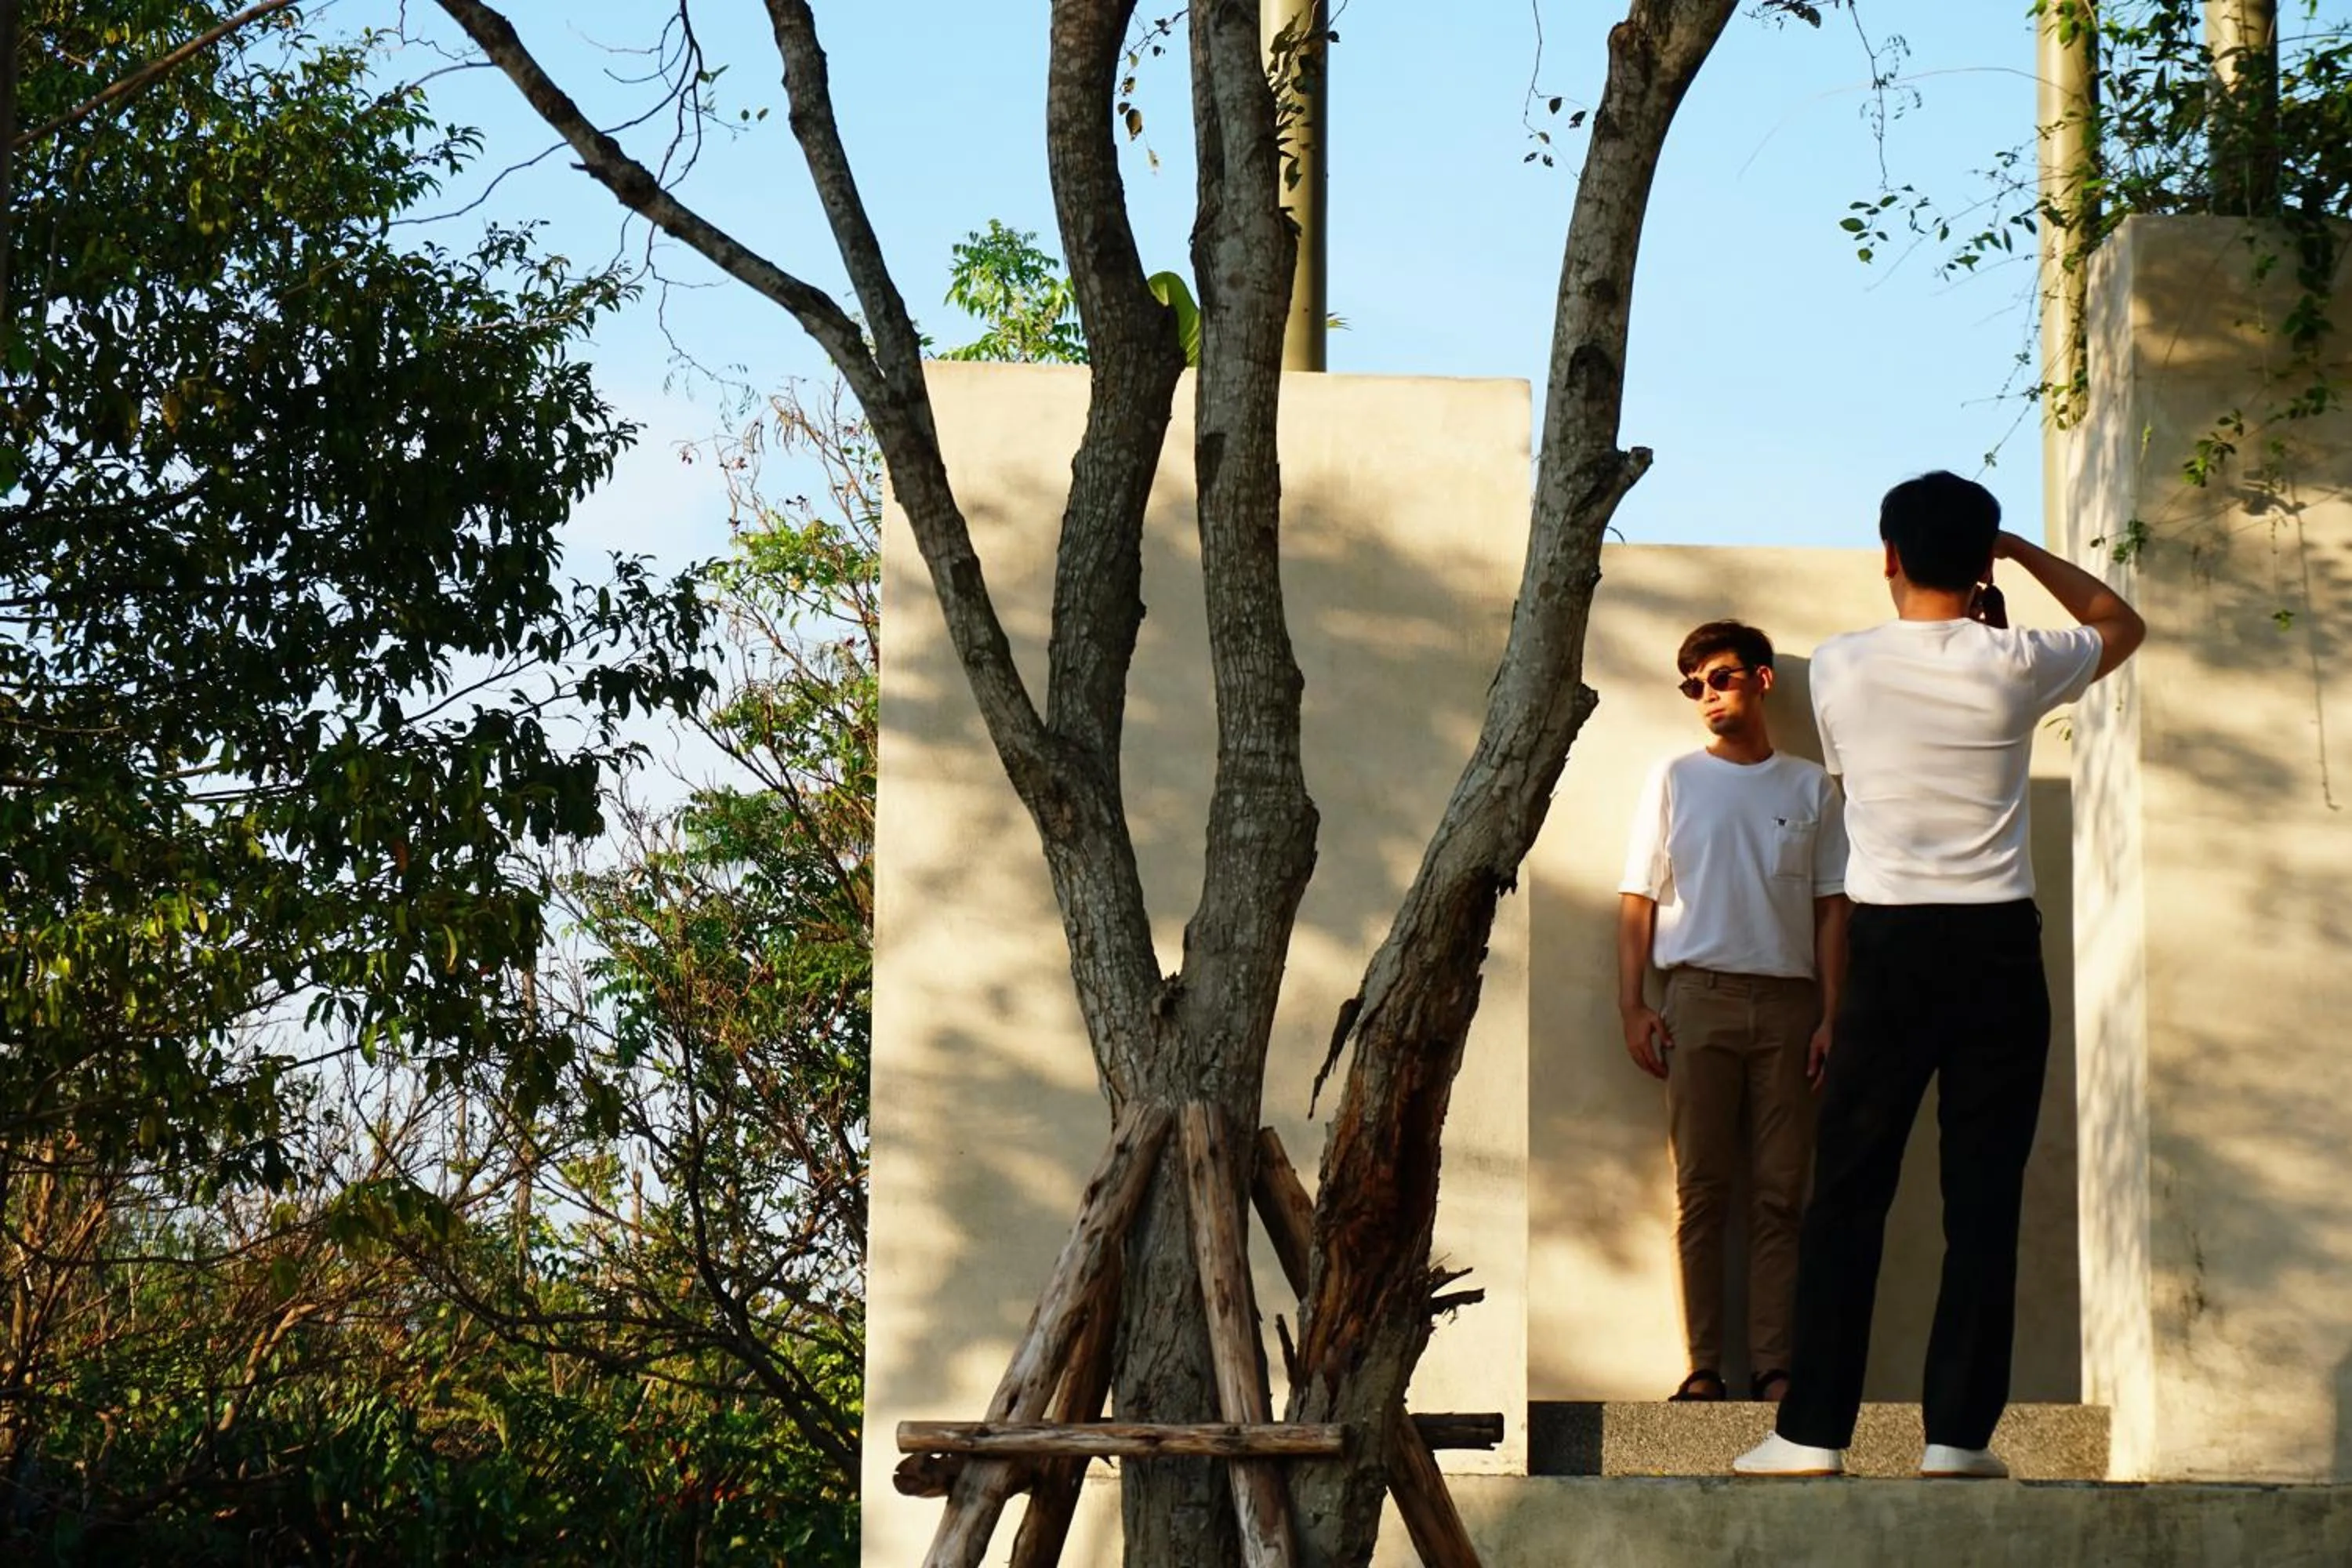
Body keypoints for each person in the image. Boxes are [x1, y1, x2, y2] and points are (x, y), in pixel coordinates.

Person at [1734, 471, 2146, 1480]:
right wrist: (2020, 554)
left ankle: (1811, 1432)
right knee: (1984, 1199)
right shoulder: (2020, 660)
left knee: (1848, 1192)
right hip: (1999, 950)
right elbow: (2119, 621)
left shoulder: (1839, 665)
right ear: (1982, 558)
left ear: (1889, 554)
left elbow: (1855, 779)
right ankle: (1958, 1438)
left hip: (1891, 948)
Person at [1619, 620, 1849, 1406]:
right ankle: (1703, 1367)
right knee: (1702, 1190)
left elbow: (1832, 909)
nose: (1707, 696)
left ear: (1761, 679)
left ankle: (1776, 1366)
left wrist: (1832, 1016)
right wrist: (1632, 1004)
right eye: (1694, 686)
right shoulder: (1675, 778)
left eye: (1720, 678)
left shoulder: (1811, 787)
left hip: (1789, 1008)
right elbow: (1638, 896)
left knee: (1782, 1192)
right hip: (1697, 1000)